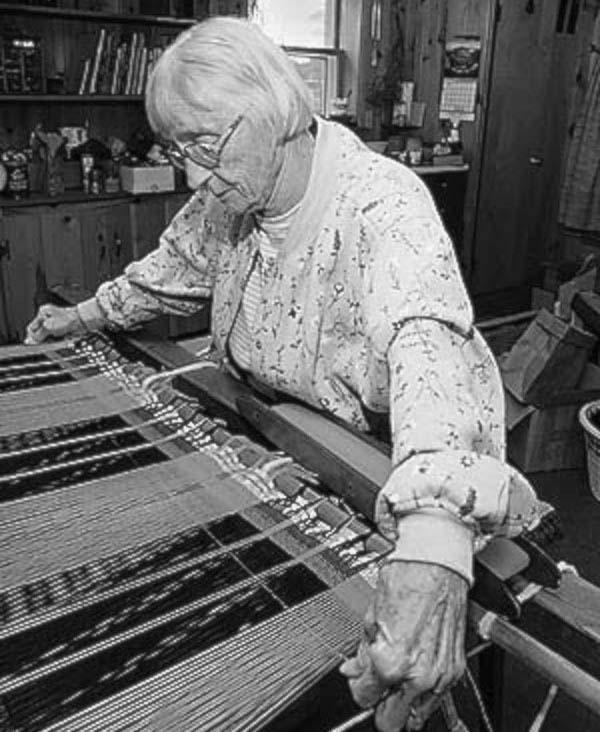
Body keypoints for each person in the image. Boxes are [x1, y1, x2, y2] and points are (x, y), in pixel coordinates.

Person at [25, 17, 541, 731]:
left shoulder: (381, 204)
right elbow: (169, 272)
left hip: (378, 468)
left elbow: (429, 346)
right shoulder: (229, 200)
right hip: (280, 438)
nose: (194, 175)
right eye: (180, 150)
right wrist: (82, 317)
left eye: (207, 146)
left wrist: (431, 541)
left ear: (276, 107)